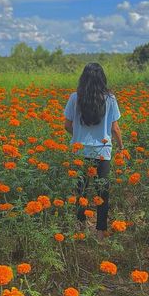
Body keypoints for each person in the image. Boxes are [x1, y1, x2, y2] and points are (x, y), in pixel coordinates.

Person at [63, 62, 124, 240]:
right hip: (102, 153)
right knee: (102, 192)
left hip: (80, 152)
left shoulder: (75, 98)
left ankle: (80, 228)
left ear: (83, 79)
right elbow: (115, 128)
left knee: (80, 191)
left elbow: (67, 125)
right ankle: (99, 233)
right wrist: (121, 147)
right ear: (102, 79)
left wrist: (80, 136)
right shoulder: (110, 99)